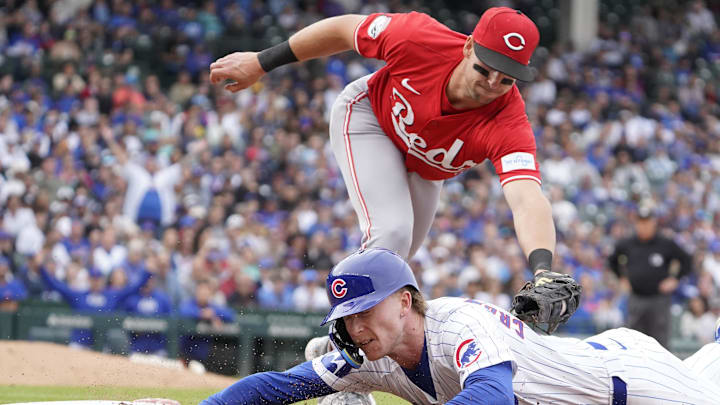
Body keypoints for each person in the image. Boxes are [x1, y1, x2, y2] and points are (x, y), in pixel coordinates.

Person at [209, 7, 559, 274]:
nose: (492, 84)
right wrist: (261, 61)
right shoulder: (419, 38)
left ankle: (333, 348)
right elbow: (344, 29)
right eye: (486, 68)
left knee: (394, 266)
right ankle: (335, 346)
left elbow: (527, 198)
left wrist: (543, 268)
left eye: (507, 79)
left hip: (424, 167)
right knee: (390, 235)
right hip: (369, 119)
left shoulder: (508, 120)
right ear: (468, 47)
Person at [201, 248, 720, 405]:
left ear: (405, 302)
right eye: (345, 317)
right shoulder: (372, 354)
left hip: (629, 385)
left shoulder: (460, 323)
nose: (355, 327)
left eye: (365, 310)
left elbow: (491, 396)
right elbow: (277, 386)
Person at [608, 201, 693, 348]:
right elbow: (612, 260)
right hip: (636, 298)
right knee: (634, 341)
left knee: (660, 342)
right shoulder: (628, 243)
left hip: (658, 300)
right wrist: (621, 278)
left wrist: (675, 279)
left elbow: (687, 260)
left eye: (647, 222)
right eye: (641, 222)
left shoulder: (665, 243)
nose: (644, 225)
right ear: (636, 223)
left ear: (654, 222)